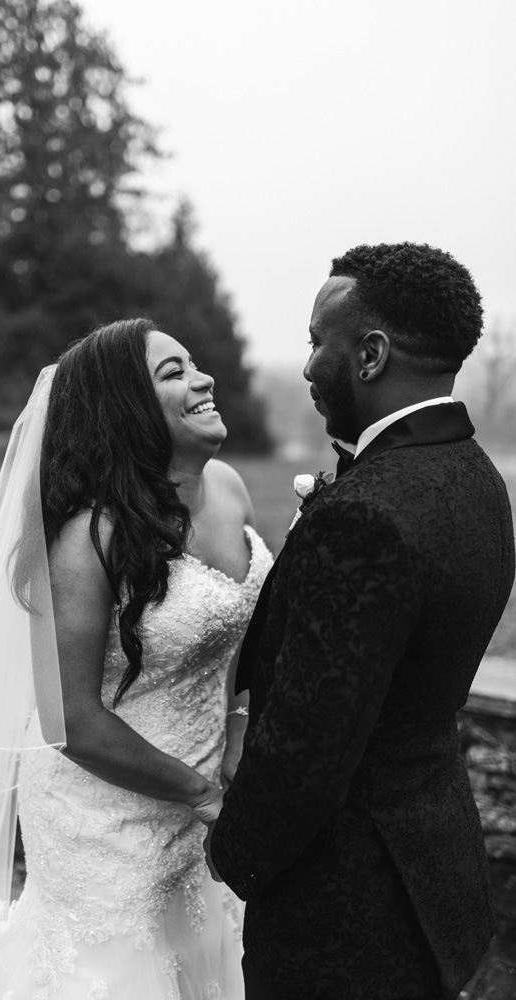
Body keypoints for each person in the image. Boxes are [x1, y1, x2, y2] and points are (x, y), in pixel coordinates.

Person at [0, 318, 272, 1000]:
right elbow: (70, 719)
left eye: (194, 365)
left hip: (204, 779)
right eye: (173, 373)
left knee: (201, 951)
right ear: (127, 407)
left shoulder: (227, 487)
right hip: (102, 804)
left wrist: (239, 722)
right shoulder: (89, 539)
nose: (203, 380)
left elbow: (247, 628)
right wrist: (201, 793)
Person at [208, 243, 516, 1000]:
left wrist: (230, 854)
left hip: (345, 909)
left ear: (370, 354)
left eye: (319, 342)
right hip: (432, 863)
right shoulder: (478, 478)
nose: (309, 364)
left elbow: (307, 744)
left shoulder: (365, 514)